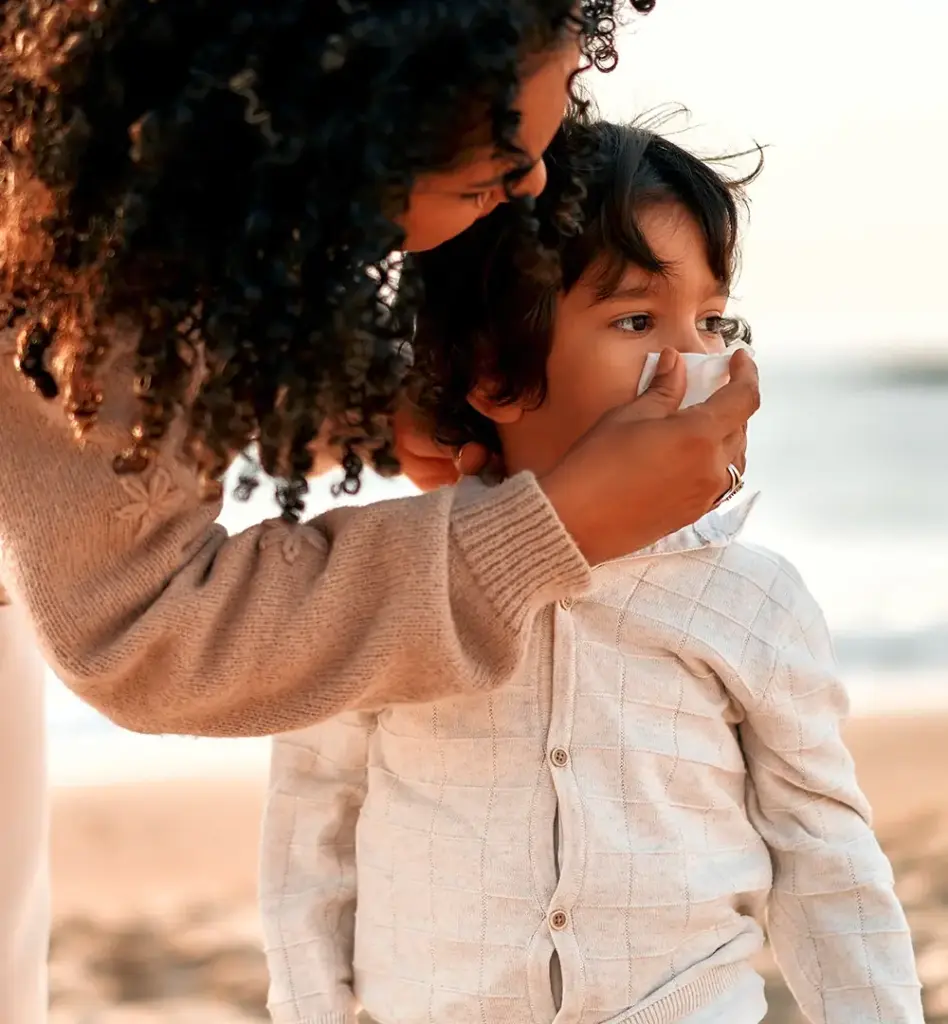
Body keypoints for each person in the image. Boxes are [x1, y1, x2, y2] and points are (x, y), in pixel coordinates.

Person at [0, 3, 754, 1018]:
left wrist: (365, 403)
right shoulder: (76, 245)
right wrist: (551, 528)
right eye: (484, 179)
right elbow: (136, 620)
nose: (531, 185)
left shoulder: (154, 165)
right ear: (306, 139)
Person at [259, 117, 923, 1024]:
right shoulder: (401, 578)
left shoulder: (752, 596)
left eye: (712, 320)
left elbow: (825, 859)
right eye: (638, 319)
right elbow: (312, 837)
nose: (694, 357)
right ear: (493, 373)